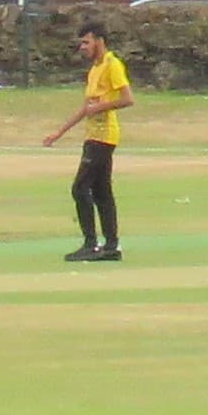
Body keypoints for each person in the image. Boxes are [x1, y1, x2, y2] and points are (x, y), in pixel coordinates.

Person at [40, 19, 133, 258]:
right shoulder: (94, 70)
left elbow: (127, 99)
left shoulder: (112, 65)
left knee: (80, 188)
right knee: (101, 190)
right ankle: (111, 246)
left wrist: (102, 107)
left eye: (86, 42)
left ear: (99, 41)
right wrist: (59, 133)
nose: (82, 47)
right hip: (93, 136)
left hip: (104, 136)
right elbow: (86, 108)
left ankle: (91, 243)